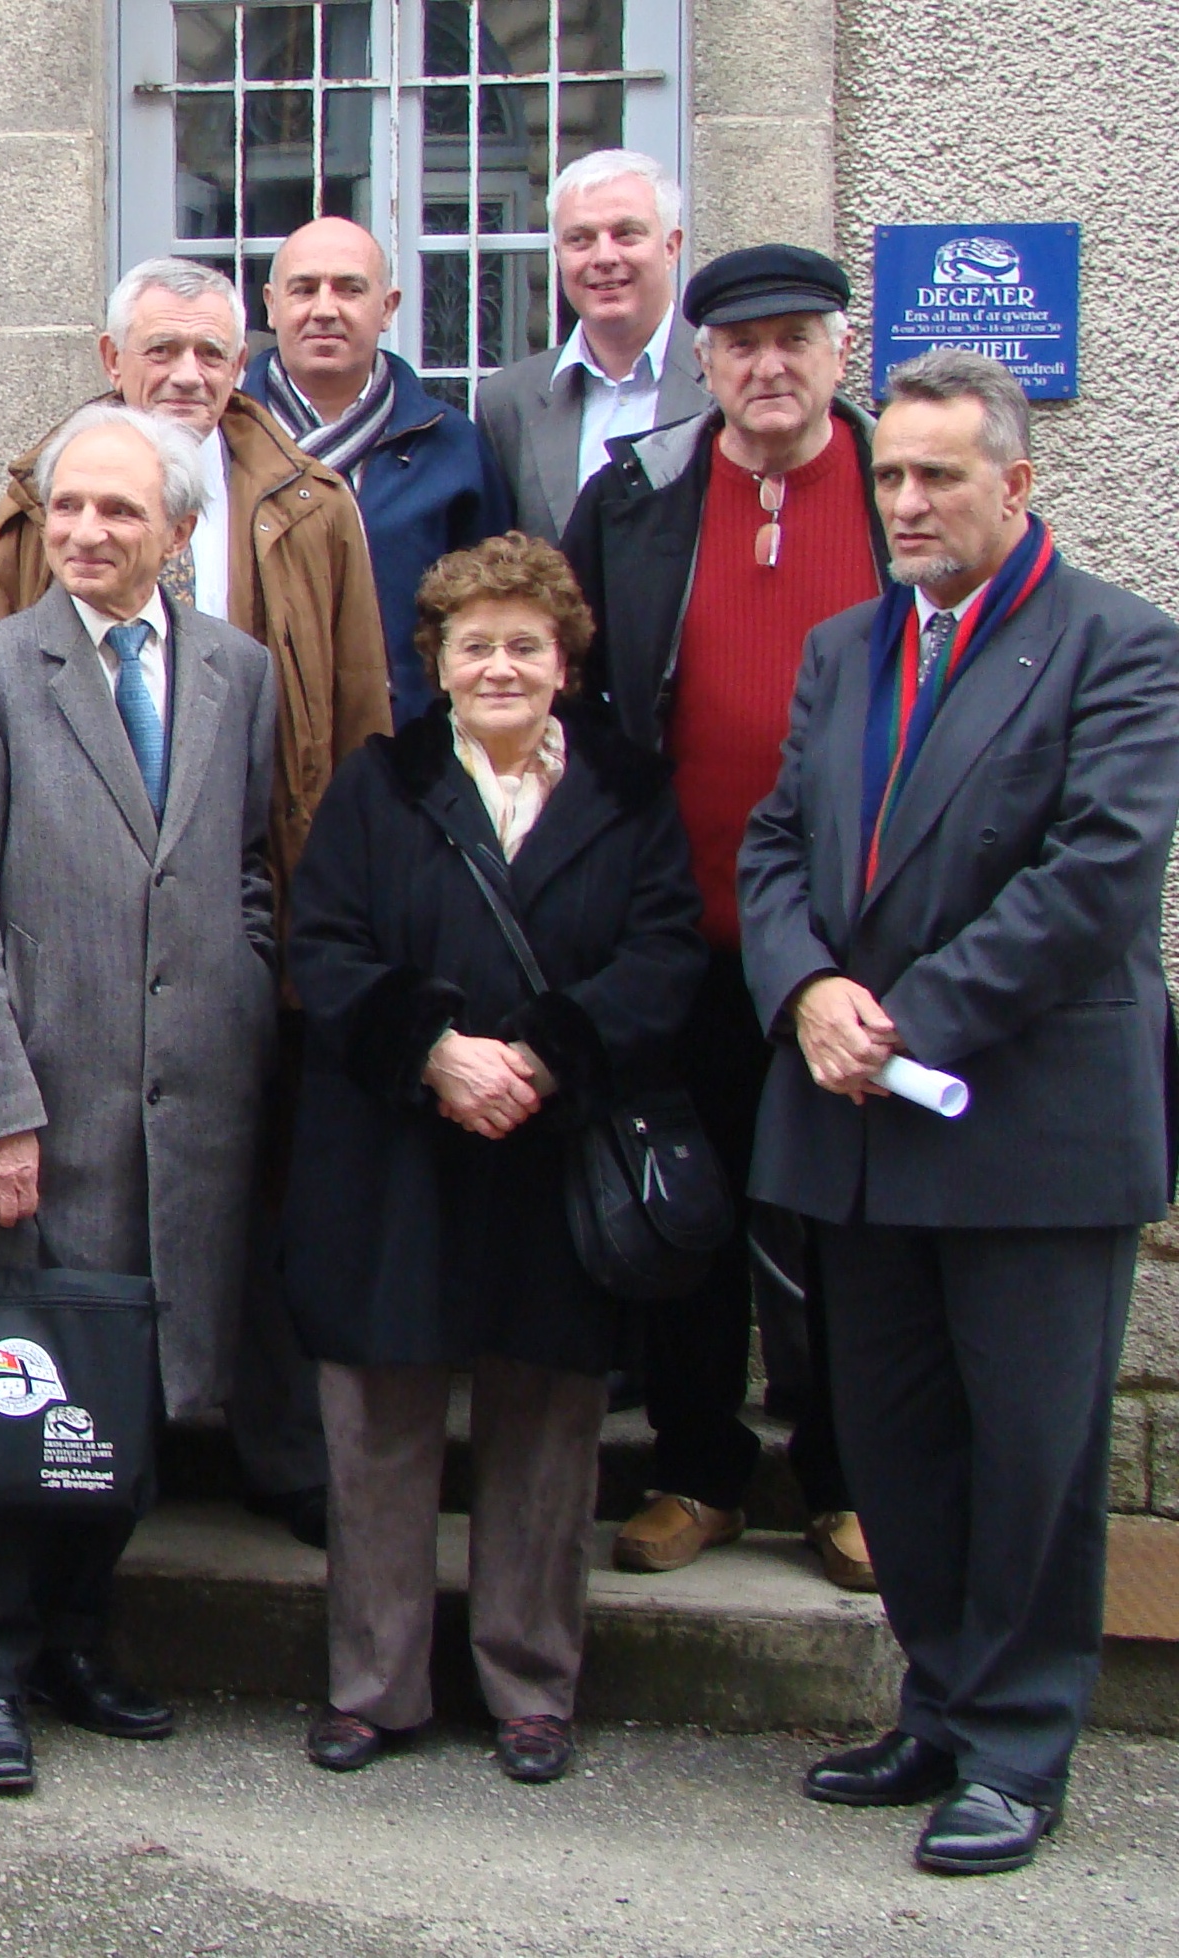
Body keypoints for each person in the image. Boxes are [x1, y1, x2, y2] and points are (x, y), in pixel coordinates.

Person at [745, 351, 1179, 1877]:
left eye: (935, 475)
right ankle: (933, 1703)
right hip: (855, 1116)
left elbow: (1093, 876)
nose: (906, 501)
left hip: (1022, 1123)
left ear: (1014, 481)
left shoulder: (1117, 647)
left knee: (1032, 1454)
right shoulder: (848, 646)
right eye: (888, 478)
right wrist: (802, 990)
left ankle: (1016, 1744)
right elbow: (775, 843)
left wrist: (900, 1014)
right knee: (898, 1443)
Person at [0, 255, 387, 1549]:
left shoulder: (304, 504)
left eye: (211, 353)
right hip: (80, 955)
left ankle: (271, 1442)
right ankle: (94, 1475)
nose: (188, 375)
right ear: (112, 360)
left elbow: (355, 714)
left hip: (246, 917)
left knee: (251, 1195)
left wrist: (298, 941)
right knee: (90, 1230)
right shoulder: (46, 503)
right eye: (161, 352)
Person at [283, 536, 705, 1784]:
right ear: (438, 664)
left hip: (551, 1153)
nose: (503, 664)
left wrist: (544, 1056)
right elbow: (326, 943)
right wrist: (436, 1052)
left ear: (567, 662)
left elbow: (665, 953)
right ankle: (376, 1686)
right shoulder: (379, 785)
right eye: (478, 644)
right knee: (379, 1431)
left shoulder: (630, 791)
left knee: (545, 1435)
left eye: (529, 643)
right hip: (398, 1156)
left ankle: (531, 1685)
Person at [0, 403, 279, 1793]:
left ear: (180, 531)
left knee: (121, 1392)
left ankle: (76, 1633)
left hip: (187, 1107)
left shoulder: (235, 671)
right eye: (68, 508)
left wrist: (232, 989)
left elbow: (241, 860)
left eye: (120, 511)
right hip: (36, 1111)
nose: (86, 532)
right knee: (12, 1393)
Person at [565, 245, 883, 1587]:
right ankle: (695, 1469)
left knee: (843, 1225)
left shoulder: (894, 493)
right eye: (739, 343)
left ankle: (847, 1481)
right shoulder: (634, 497)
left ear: (833, 353)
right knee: (684, 1213)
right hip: (676, 926)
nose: (766, 365)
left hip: (848, 938)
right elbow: (578, 698)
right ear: (699, 361)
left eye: (793, 339)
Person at [243, 217, 514, 713]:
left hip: (406, 751)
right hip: (250, 743)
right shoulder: (222, 437)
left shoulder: (449, 445)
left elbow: (493, 614)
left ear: (387, 308)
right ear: (271, 305)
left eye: (349, 289)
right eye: (304, 289)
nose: (325, 310)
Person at [475, 150, 712, 542]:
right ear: (558, 256)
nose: (604, 257)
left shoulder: (726, 382)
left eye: (626, 234)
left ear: (671, 247)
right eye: (580, 239)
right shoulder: (506, 403)